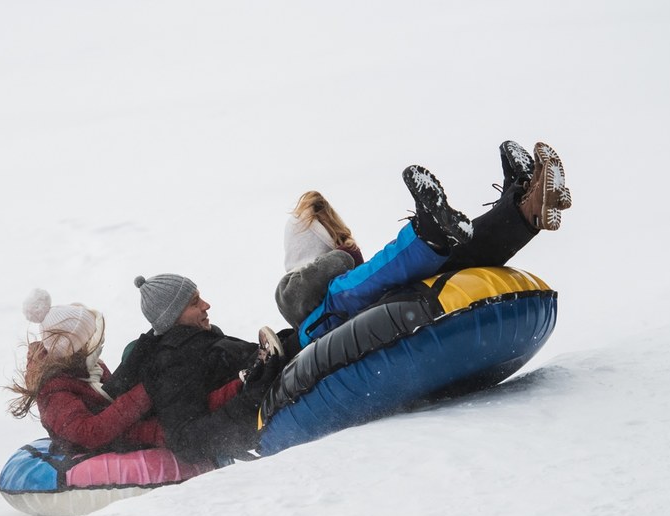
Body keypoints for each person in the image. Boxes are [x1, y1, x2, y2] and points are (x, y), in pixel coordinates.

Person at [276, 141, 572, 348]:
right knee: (346, 290)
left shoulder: (345, 277)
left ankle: (524, 206)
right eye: (334, 236)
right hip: (327, 330)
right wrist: (345, 254)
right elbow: (332, 276)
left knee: (452, 256)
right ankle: (428, 235)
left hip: (367, 309)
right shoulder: (291, 293)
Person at [106, 274, 285, 464]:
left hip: (274, 392)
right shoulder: (174, 363)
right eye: (194, 302)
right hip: (267, 413)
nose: (206, 305)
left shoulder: (200, 339)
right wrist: (255, 396)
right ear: (172, 317)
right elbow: (187, 439)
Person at [6, 289, 176, 454]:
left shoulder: (91, 369)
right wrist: (144, 392)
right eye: (91, 339)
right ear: (76, 348)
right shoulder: (53, 389)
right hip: (90, 447)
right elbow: (89, 433)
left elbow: (113, 403)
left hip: (117, 433)